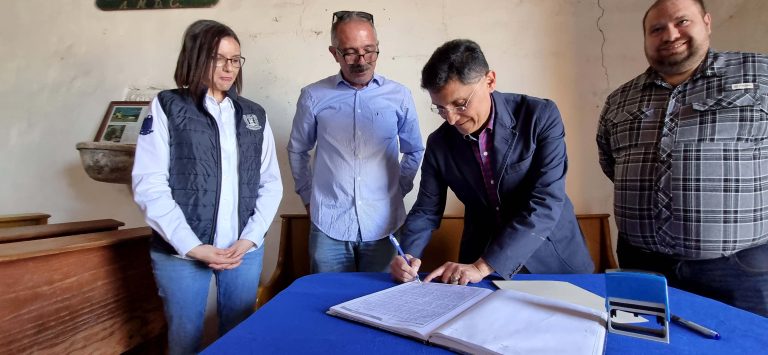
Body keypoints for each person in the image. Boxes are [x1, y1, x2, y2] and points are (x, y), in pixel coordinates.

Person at [597, 0, 768, 317]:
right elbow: (612, 164)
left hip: (739, 269)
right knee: (643, 346)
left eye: (682, 21)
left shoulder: (760, 74)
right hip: (641, 264)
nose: (669, 34)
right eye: (656, 29)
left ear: (707, 22)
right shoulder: (620, 99)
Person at [132, 19, 283, 353]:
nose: (229, 68)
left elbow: (270, 183)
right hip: (181, 254)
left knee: (241, 338)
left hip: (242, 251)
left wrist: (250, 238)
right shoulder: (167, 106)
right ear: (196, 57)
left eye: (235, 59)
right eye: (219, 58)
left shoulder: (252, 114)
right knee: (185, 341)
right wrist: (191, 245)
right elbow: (149, 184)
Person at [390, 39, 594, 285]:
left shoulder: (539, 116)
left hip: (551, 261)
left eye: (460, 104)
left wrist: (483, 265)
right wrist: (407, 254)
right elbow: (426, 210)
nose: (452, 119)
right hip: (478, 266)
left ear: (490, 81)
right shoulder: (440, 143)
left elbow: (546, 202)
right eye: (441, 109)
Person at [287, 11, 424, 273]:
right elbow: (297, 150)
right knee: (326, 304)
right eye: (350, 52)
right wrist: (307, 197)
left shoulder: (399, 96)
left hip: (385, 225)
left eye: (369, 51)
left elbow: (414, 149)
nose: (361, 61)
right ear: (334, 53)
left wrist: (398, 188)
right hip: (328, 226)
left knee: (381, 305)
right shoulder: (313, 96)